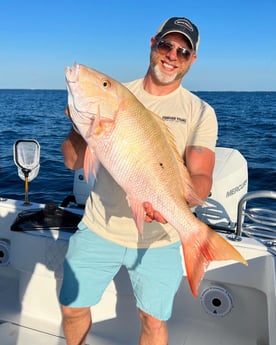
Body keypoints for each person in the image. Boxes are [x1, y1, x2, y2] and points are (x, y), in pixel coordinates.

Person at [59, 16, 218, 345]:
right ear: (152, 43)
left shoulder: (200, 111)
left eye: (183, 51)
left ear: (192, 60)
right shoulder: (122, 94)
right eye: (166, 45)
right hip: (100, 225)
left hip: (160, 238)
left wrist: (178, 207)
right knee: (72, 308)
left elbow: (201, 176)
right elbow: (74, 161)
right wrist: (80, 128)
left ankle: (195, 238)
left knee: (153, 321)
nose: (172, 55)